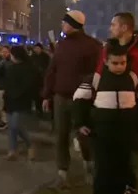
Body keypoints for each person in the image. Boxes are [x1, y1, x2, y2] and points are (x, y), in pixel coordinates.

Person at [41, 10, 102, 189]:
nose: (62, 25)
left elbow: (96, 75)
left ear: (72, 24)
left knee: (83, 136)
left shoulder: (93, 46)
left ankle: (89, 166)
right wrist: (47, 95)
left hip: (81, 101)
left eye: (64, 22)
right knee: (61, 136)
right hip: (60, 98)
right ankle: (62, 173)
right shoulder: (62, 45)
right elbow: (52, 71)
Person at [74, 42, 138, 194]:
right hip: (102, 134)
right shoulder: (95, 79)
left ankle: (126, 188)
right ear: (106, 61)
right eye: (115, 63)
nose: (119, 66)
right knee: (104, 168)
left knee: (124, 164)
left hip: (126, 133)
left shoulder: (133, 79)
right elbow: (79, 101)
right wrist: (81, 123)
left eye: (122, 63)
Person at [3, 46, 36, 161]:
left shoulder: (27, 68)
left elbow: (27, 85)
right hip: (10, 101)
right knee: (11, 127)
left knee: (16, 125)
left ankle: (30, 145)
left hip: (20, 101)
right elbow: (6, 84)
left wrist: (17, 94)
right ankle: (12, 150)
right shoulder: (10, 67)